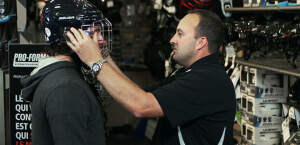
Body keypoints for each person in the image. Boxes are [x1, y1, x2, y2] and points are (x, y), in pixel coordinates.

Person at [67, 9, 236, 145]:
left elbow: (141, 106)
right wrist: (103, 55)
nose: (172, 39)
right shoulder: (186, 73)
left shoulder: (207, 80)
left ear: (201, 42)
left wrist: (95, 61)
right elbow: (137, 95)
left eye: (180, 33)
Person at [20, 0, 110, 144]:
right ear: (70, 38)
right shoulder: (67, 88)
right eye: (94, 32)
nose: (102, 40)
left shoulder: (61, 78)